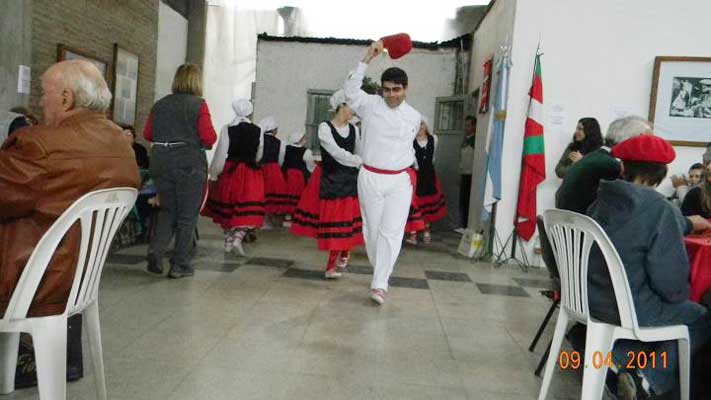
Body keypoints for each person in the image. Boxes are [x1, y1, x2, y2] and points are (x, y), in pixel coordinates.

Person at [0, 59, 140, 317]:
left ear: (66, 98)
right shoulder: (122, 144)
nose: (41, 102)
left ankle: (22, 352)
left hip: (29, 284)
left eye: (44, 93)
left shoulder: (40, 144)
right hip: (74, 281)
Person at [586, 135, 711, 399]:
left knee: (658, 314)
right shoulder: (657, 208)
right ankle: (648, 379)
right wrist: (680, 295)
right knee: (699, 316)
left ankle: (615, 361)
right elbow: (671, 284)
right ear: (662, 172)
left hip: (592, 300)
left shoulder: (601, 200)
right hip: (629, 308)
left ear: (623, 167)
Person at [343, 40, 422, 305]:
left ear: (406, 90)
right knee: (373, 231)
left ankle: (380, 283)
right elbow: (350, 90)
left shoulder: (414, 116)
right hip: (370, 177)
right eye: (387, 90)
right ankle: (381, 272)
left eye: (396, 90)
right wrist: (367, 58)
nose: (391, 95)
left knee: (392, 232)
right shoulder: (370, 104)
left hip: (400, 180)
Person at [143, 63, 217, 278]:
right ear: (197, 81)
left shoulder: (159, 105)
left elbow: (148, 133)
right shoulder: (198, 105)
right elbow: (209, 137)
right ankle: (180, 264)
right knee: (187, 215)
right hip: (188, 162)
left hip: (160, 160)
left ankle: (155, 251)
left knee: (167, 210)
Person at [290, 90, 363, 278]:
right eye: (351, 107)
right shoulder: (325, 128)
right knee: (336, 222)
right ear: (341, 106)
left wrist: (360, 161)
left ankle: (343, 254)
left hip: (350, 181)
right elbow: (335, 152)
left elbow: (360, 151)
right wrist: (357, 160)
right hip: (332, 181)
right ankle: (332, 264)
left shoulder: (354, 129)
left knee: (347, 221)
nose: (354, 111)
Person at [203, 98, 265, 256]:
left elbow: (221, 153)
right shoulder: (258, 130)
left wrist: (215, 173)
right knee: (247, 209)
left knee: (228, 207)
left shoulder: (227, 129)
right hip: (250, 173)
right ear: (250, 111)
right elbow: (259, 153)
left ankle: (228, 241)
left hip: (232, 170)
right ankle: (237, 238)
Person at [556, 116, 651, 214]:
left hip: (567, 222)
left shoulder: (596, 156)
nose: (649, 146)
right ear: (632, 139)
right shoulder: (611, 165)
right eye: (647, 141)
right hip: (585, 224)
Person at [406, 116, 447, 245]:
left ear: (426, 125)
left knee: (428, 207)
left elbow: (433, 157)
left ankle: (426, 232)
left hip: (429, 175)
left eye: (422, 124)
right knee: (415, 206)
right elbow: (412, 160)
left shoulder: (433, 139)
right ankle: (413, 234)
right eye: (417, 124)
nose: (420, 127)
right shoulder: (410, 141)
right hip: (417, 176)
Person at [257, 116, 289, 228]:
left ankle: (259, 220)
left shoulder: (259, 140)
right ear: (274, 130)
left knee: (260, 194)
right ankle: (268, 221)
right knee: (272, 197)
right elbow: (281, 158)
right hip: (274, 169)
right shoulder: (280, 143)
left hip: (260, 168)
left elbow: (257, 155)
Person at [282, 131, 316, 221]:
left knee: (288, 193)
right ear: (300, 140)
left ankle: (287, 213)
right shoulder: (306, 151)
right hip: (298, 176)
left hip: (287, 174)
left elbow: (282, 161)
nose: (306, 140)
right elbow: (310, 165)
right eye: (304, 138)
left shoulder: (286, 149)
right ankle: (295, 213)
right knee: (297, 193)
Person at [458, 115, 477, 231]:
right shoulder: (464, 139)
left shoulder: (476, 139)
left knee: (469, 201)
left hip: (472, 175)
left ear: (474, 126)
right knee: (463, 201)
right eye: (465, 125)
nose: (466, 127)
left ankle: (468, 226)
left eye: (469, 125)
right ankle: (463, 225)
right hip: (464, 173)